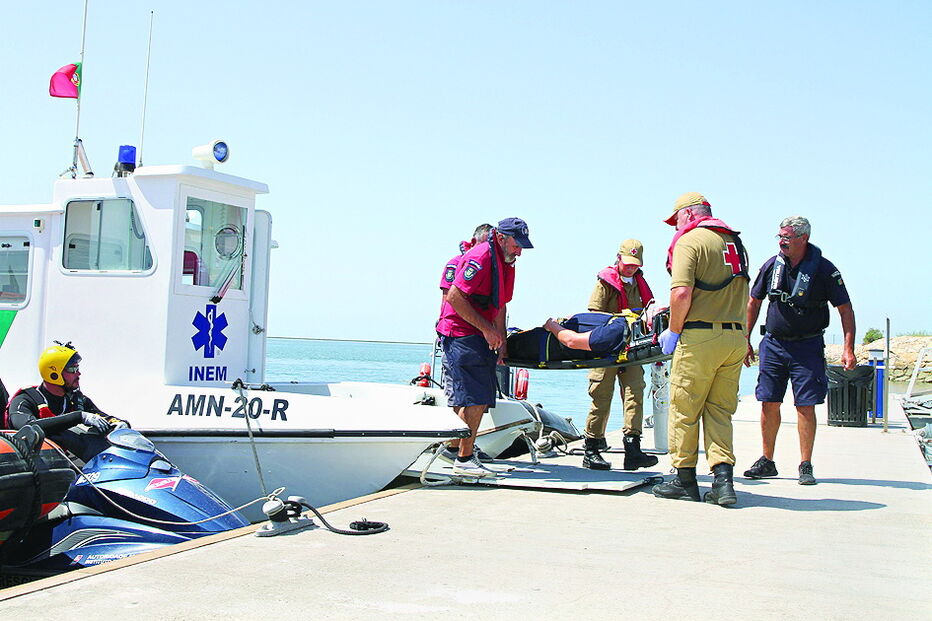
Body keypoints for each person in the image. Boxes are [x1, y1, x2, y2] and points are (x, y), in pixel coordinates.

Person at [651, 192, 749, 505]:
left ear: (691, 214)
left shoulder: (690, 241)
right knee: (720, 411)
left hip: (700, 338)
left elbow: (681, 292)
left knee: (685, 409)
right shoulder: (735, 242)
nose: (675, 227)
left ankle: (684, 481)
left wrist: (673, 330)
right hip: (735, 337)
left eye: (676, 219)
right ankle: (723, 482)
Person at [742, 216, 855, 485]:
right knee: (768, 401)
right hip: (773, 344)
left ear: (804, 238)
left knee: (805, 405)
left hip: (807, 346)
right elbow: (753, 302)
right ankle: (767, 460)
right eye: (780, 236)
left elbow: (845, 309)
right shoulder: (772, 265)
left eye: (787, 237)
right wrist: (745, 339)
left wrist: (848, 348)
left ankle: (805, 464)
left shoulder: (825, 270)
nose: (782, 241)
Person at [435, 218, 533, 477]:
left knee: (473, 396)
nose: (519, 251)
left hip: (479, 335)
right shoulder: (480, 257)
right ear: (500, 238)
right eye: (516, 245)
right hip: (462, 334)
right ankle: (464, 459)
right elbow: (454, 297)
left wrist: (503, 343)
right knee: (475, 398)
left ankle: (455, 450)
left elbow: (500, 304)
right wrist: (487, 330)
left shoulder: (506, 262)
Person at [578, 239, 659, 471]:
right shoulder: (605, 283)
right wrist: (619, 321)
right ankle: (592, 448)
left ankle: (633, 449)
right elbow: (593, 314)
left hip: (632, 349)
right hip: (606, 348)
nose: (631, 268)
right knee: (601, 396)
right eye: (628, 263)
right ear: (618, 258)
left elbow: (648, 309)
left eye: (635, 264)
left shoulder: (640, 284)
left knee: (635, 393)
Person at [3, 343, 128, 462]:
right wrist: (78, 417)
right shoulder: (25, 400)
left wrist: (120, 424)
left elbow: (102, 416)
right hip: (26, 466)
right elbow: (27, 427)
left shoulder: (76, 400)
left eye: (77, 368)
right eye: (72, 369)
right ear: (54, 373)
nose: (78, 374)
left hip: (64, 463)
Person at [437, 223, 493, 462]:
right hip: (457, 335)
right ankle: (458, 451)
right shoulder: (459, 263)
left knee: (465, 396)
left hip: (475, 336)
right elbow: (448, 299)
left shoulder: (491, 265)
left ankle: (458, 448)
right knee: (463, 397)